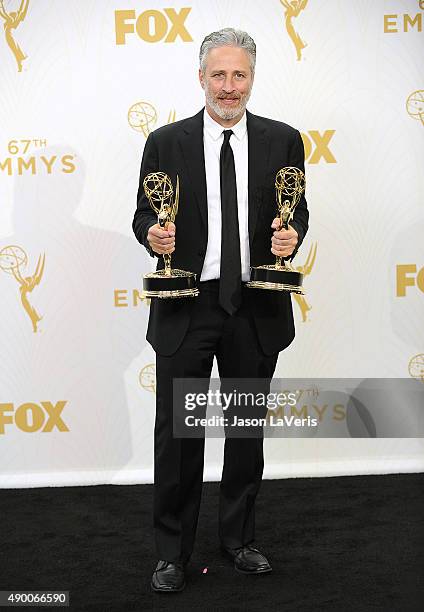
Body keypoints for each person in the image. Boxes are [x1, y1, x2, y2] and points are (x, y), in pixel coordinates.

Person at [133, 27, 309, 593]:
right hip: (187, 304)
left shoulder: (284, 140)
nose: (228, 87)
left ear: (252, 78)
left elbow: (295, 210)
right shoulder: (165, 141)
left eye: (240, 75)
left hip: (255, 305)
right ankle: (171, 551)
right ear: (201, 77)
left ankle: (239, 539)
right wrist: (154, 236)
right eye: (219, 75)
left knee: (244, 430)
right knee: (178, 436)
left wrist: (291, 239)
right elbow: (143, 214)